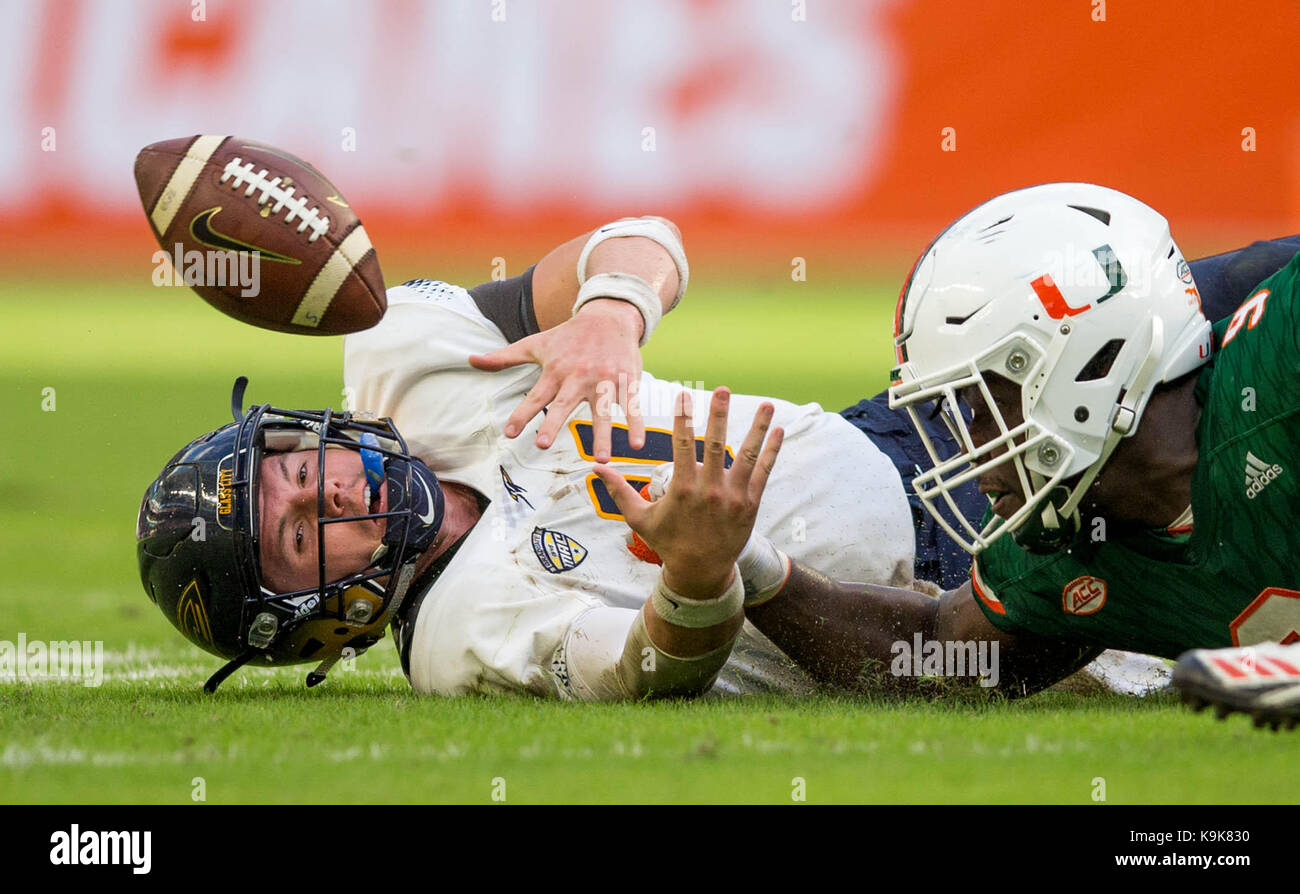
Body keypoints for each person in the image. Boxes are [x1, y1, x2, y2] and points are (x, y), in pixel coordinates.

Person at [137, 216, 917, 699]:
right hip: (892, 615)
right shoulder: (459, 636)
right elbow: (641, 673)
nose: (330, 496)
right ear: (319, 625)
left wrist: (612, 310)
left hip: (899, 426)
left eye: (303, 474)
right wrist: (699, 575)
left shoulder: (402, 356)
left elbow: (645, 237)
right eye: (302, 537)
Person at [699, 183, 1300, 726]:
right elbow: (944, 647)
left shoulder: (1276, 358)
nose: (966, 446)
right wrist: (748, 562)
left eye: (981, 402)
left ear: (1092, 363)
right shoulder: (1072, 548)